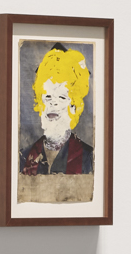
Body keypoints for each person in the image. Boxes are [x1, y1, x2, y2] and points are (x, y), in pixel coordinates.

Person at [19, 44, 95, 177]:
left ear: (74, 106)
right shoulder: (23, 158)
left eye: (61, 97)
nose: (53, 102)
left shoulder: (90, 159)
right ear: (41, 105)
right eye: (47, 96)